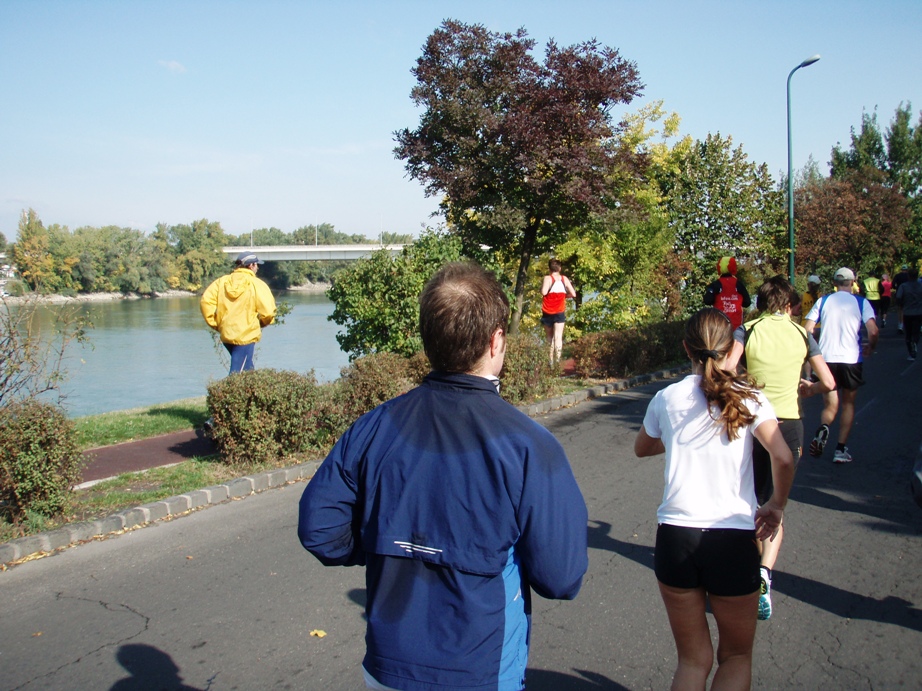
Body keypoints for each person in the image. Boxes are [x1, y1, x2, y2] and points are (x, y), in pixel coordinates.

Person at [298, 262, 589, 691]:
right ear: (496, 341)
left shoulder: (373, 426)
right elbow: (561, 576)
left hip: (387, 665)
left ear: (429, 338)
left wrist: (391, 545)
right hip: (480, 667)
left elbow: (321, 529)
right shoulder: (529, 446)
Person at [634, 308, 794, 690]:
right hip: (731, 538)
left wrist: (678, 439)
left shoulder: (666, 398)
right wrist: (775, 507)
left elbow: (643, 448)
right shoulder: (749, 397)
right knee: (735, 657)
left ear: (687, 348)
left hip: (675, 537)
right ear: (729, 350)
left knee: (692, 660)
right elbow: (783, 456)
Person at [726, 276, 835, 620]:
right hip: (788, 426)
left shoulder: (749, 329)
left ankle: (741, 574)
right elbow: (830, 382)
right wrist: (808, 389)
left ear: (761, 303)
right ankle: (763, 575)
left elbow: (727, 369)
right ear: (789, 305)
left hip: (752, 422)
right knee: (775, 504)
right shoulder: (803, 334)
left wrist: (744, 385)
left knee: (748, 498)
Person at [804, 267, 879, 464]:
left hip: (826, 358)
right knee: (848, 403)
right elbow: (873, 331)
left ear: (835, 283)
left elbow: (807, 329)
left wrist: (813, 351)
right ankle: (840, 449)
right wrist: (871, 347)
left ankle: (824, 426)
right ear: (852, 282)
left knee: (830, 404)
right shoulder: (861, 302)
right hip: (851, 359)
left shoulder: (824, 301)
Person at [200, 252, 277, 374]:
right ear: (251, 265)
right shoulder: (256, 284)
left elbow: (206, 302)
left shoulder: (221, 282)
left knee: (248, 371)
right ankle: (226, 392)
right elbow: (268, 312)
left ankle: (253, 392)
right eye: (256, 264)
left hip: (227, 334)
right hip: (246, 336)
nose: (258, 267)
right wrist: (262, 323)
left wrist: (216, 323)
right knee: (236, 374)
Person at [540, 258, 577, 365]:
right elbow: (573, 294)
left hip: (547, 311)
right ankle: (557, 361)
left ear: (549, 268)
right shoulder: (564, 279)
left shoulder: (547, 278)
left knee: (549, 337)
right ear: (560, 268)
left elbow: (543, 292)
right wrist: (565, 295)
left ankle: (550, 361)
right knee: (558, 337)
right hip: (559, 312)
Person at [703, 256, 751, 329]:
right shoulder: (739, 284)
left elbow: (707, 300)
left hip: (719, 326)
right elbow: (747, 302)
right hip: (736, 327)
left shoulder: (716, 284)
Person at [895, 267, 922, 361]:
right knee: (917, 330)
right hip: (919, 312)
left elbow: (898, 297)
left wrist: (901, 304)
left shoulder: (903, 286)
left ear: (908, 276)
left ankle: (911, 351)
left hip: (907, 312)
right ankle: (915, 342)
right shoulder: (920, 285)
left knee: (908, 332)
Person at [893, 264, 912, 332]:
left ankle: (900, 325)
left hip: (900, 293)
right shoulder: (909, 276)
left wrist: (896, 288)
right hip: (908, 294)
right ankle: (908, 324)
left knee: (900, 310)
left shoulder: (897, 276)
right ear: (907, 270)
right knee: (908, 309)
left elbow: (893, 284)